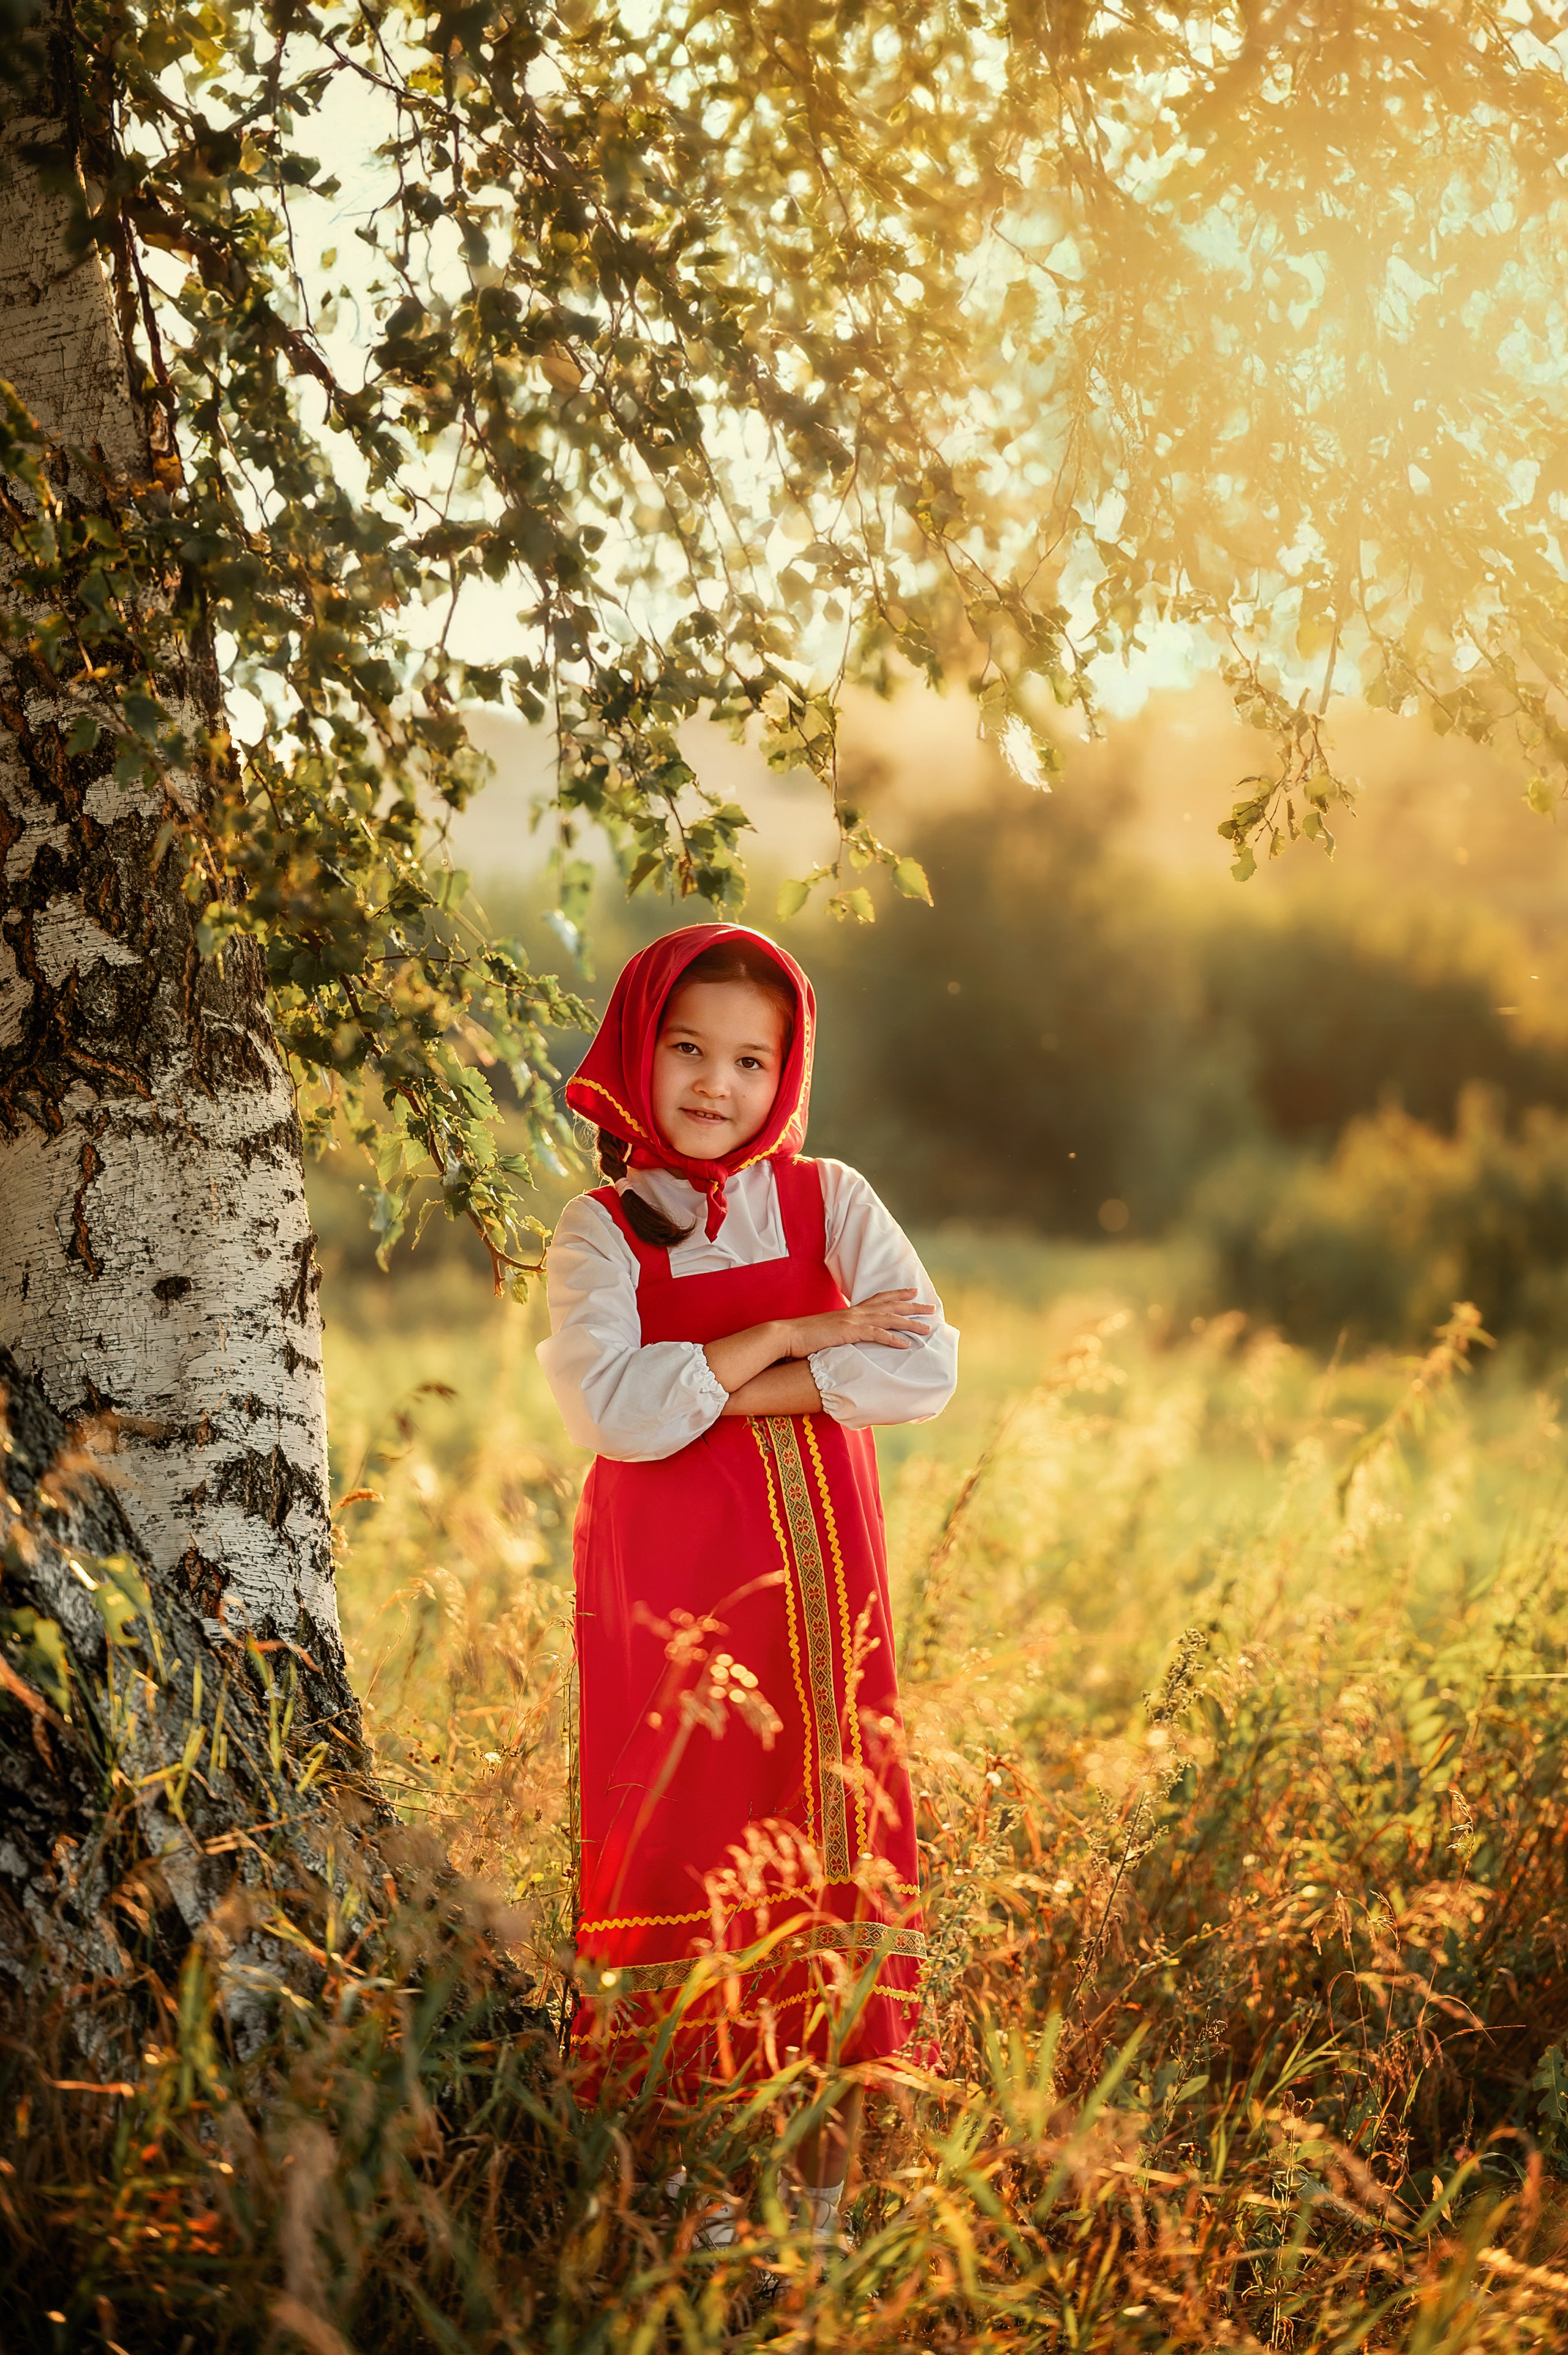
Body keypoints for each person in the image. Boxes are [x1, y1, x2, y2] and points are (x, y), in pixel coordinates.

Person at [538, 921, 959, 2247]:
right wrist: (785, 1329)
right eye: (686, 1050)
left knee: (824, 1851)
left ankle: (816, 2211)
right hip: (665, 1594)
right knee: (680, 1840)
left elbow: (921, 1364)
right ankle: (684, 2201)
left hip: (820, 1593)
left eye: (750, 1059)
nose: (716, 1084)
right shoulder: (596, 1230)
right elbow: (611, 1409)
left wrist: (718, 1378)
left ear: (788, 1073)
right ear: (633, 1052)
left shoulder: (828, 1196)